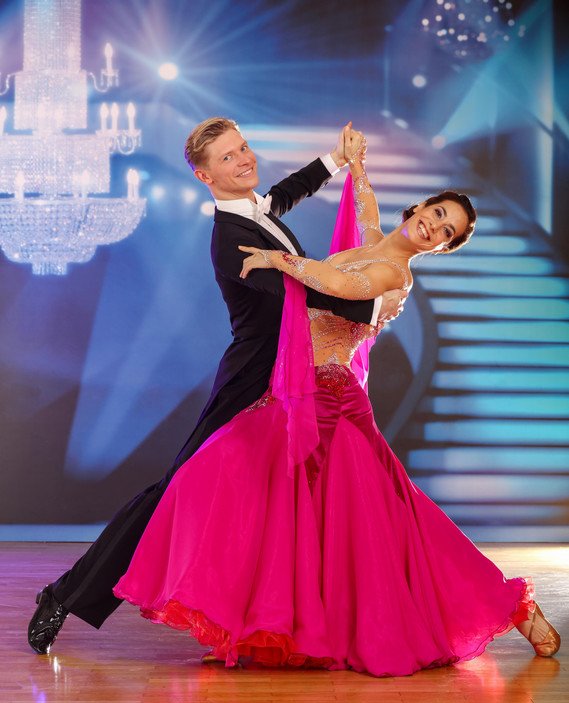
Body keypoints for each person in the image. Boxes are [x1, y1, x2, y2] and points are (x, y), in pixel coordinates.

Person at [113, 133, 560, 676]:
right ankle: (262, 627)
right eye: (437, 214)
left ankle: (504, 604)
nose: (434, 227)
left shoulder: (394, 274)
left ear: (443, 249)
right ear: (419, 206)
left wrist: (277, 259)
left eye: (447, 233)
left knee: (347, 515)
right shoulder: (376, 244)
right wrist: (356, 164)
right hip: (301, 388)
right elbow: (368, 213)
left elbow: (334, 284)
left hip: (328, 397)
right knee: (312, 512)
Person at [28, 118, 407, 654]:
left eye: (243, 147)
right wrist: (372, 309)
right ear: (206, 177)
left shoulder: (255, 209)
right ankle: (64, 595)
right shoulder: (231, 240)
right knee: (172, 492)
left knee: (284, 493)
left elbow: (285, 193)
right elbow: (300, 294)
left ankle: (286, 617)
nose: (244, 160)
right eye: (228, 158)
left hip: (294, 369)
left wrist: (335, 160)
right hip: (254, 377)